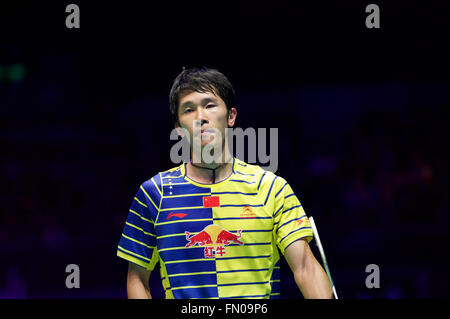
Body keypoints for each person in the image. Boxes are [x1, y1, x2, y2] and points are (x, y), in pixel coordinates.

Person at [117, 67, 333, 299]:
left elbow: (305, 268)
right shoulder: (153, 194)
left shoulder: (272, 188)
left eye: (210, 105)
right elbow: (137, 277)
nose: (201, 116)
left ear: (231, 116)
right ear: (178, 129)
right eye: (189, 109)